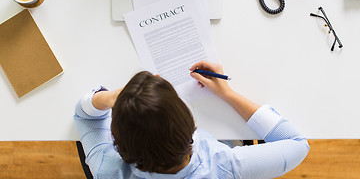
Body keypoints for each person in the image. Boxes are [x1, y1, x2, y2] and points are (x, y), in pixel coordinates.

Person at [74, 61, 309, 179]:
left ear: (119, 142)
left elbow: (85, 117)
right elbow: (297, 142)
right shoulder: (226, 166)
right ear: (191, 127)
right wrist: (228, 94)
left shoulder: (107, 168)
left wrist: (112, 96)